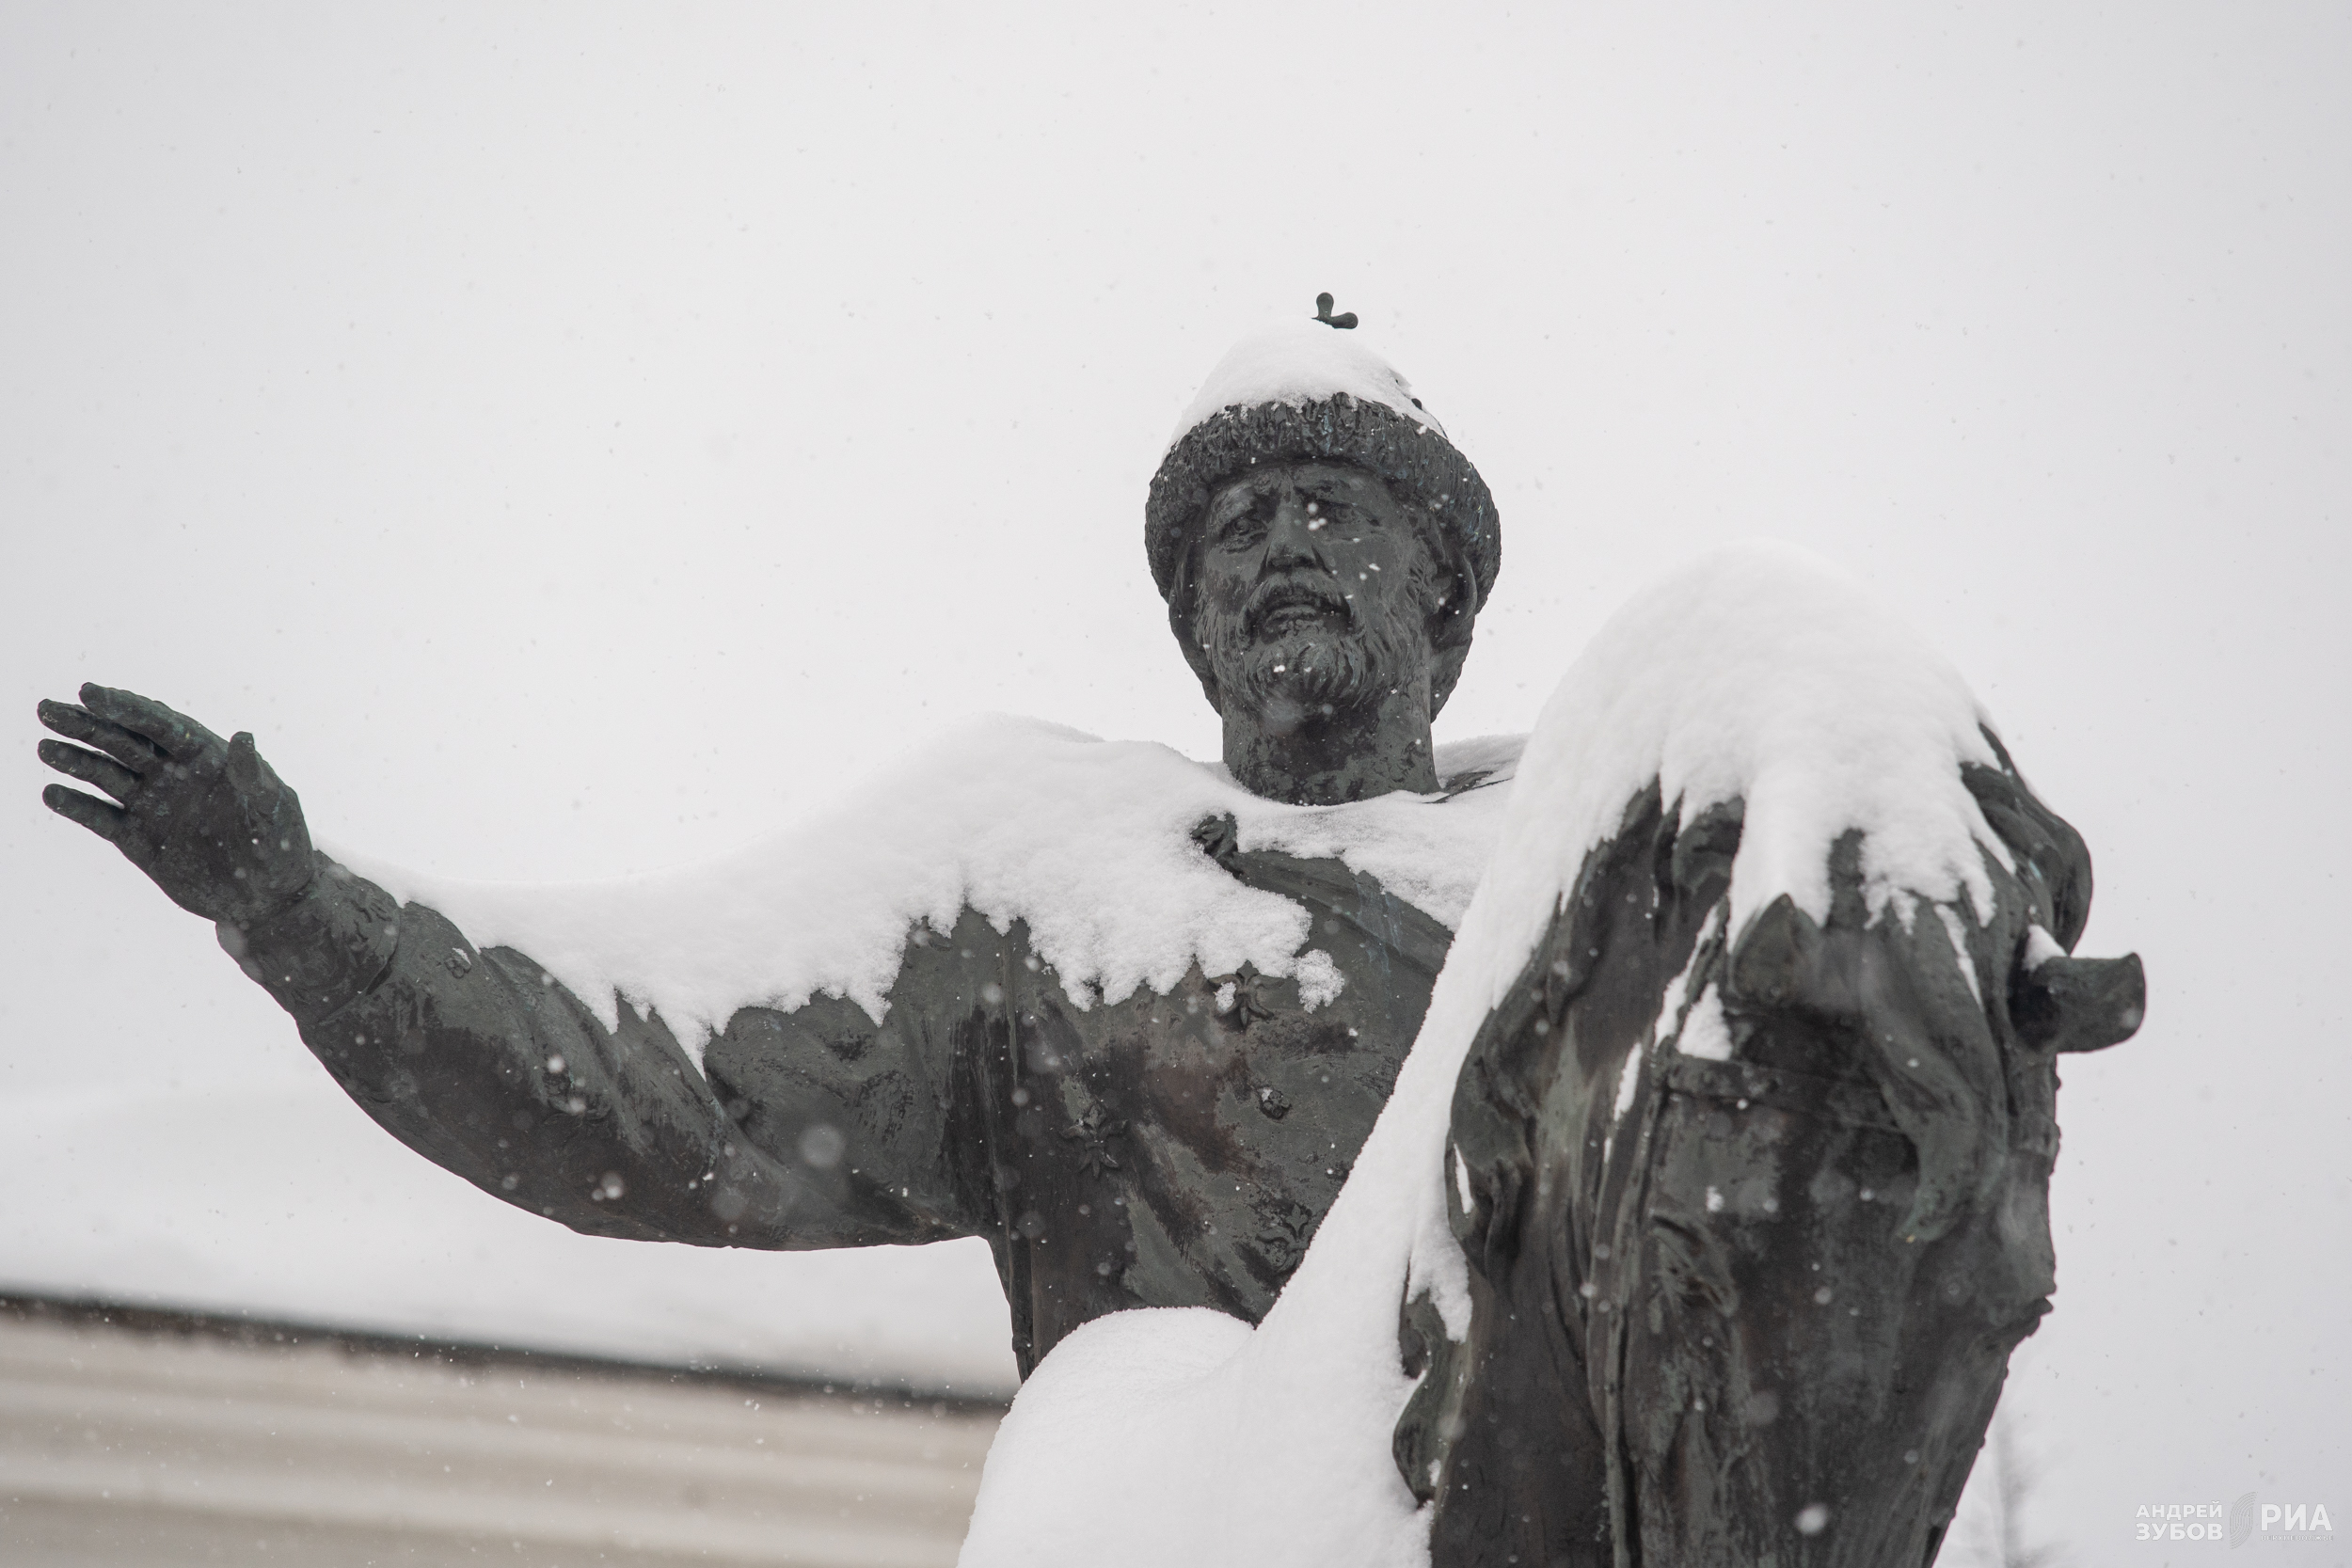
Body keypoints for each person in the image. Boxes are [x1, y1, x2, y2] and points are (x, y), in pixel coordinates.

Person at [36, 305, 2139, 1565]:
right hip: (1186, 1520)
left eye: (1338, 515)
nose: (1283, 546)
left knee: (1762, 647)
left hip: (1529, 1518)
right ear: (1188, 620)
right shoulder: (1042, 879)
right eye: (1237, 528)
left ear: (1445, 608)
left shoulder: (1554, 869)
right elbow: (645, 1082)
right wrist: (295, 913)